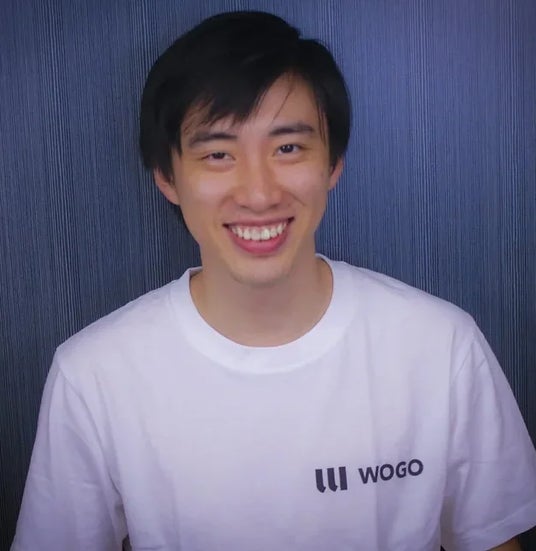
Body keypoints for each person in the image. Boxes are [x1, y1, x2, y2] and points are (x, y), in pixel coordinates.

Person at [11, 10, 536, 551]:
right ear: (167, 176)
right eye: (218, 154)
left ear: (333, 164)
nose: (259, 194)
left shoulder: (441, 347)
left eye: (288, 148)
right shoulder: (94, 376)